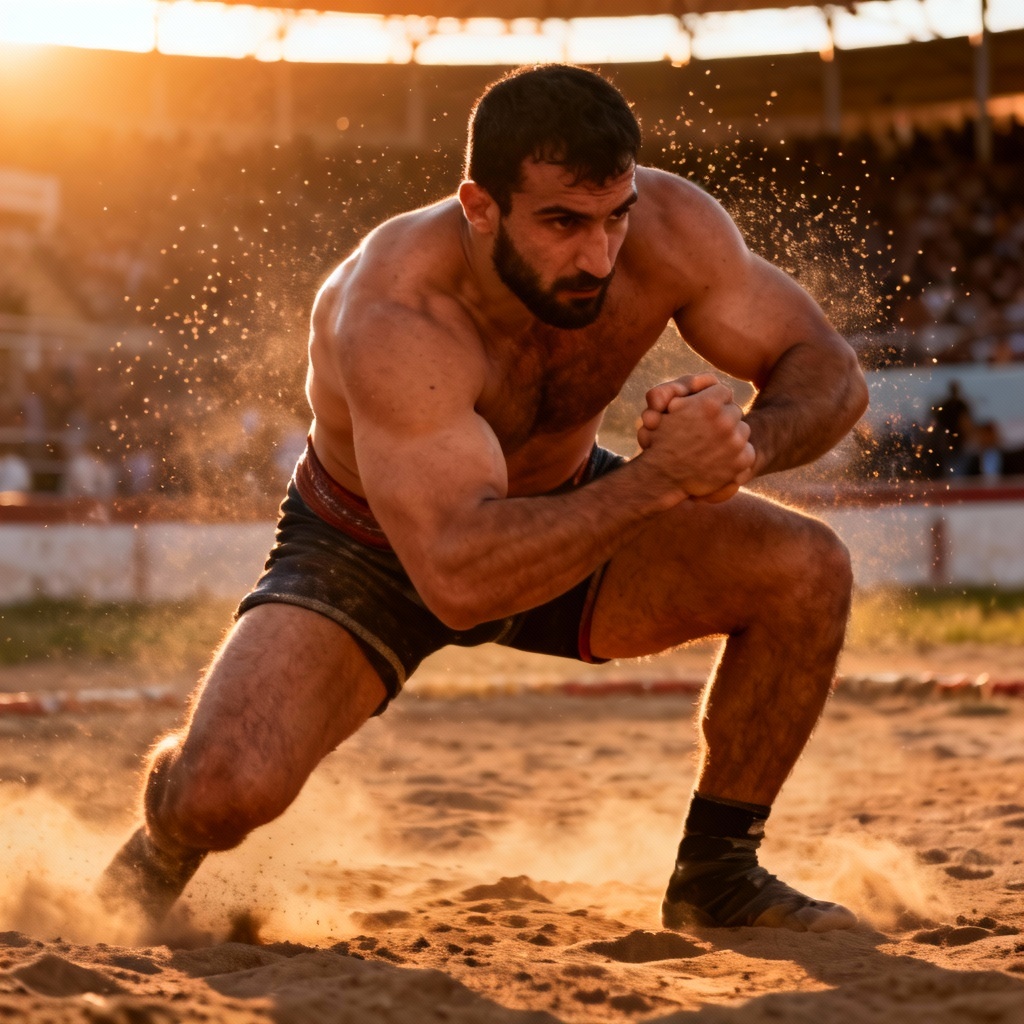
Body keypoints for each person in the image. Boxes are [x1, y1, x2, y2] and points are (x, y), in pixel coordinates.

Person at [99, 64, 869, 934]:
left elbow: (828, 368)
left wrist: (742, 448)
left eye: (616, 215)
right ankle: (162, 837)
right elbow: (457, 577)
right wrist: (663, 478)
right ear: (479, 206)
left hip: (569, 507)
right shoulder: (396, 308)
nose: (599, 255)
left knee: (806, 570)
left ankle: (719, 875)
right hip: (371, 549)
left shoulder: (672, 226)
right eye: (562, 224)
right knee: (219, 796)